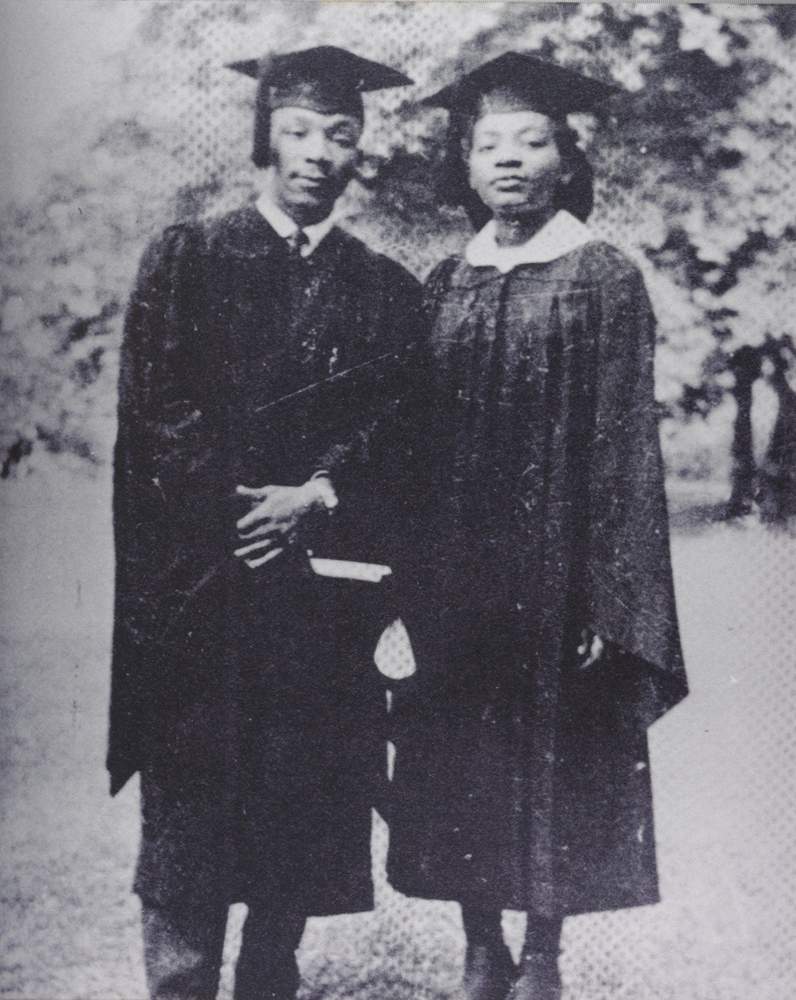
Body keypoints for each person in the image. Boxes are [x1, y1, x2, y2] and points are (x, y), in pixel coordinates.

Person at [108, 46, 419, 1000]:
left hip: (318, 605)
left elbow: (400, 431)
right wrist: (247, 515)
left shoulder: (386, 287)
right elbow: (157, 418)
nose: (319, 152)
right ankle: (181, 984)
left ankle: (271, 981)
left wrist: (316, 499)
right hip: (205, 593)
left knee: (296, 822)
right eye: (297, 131)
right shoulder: (190, 255)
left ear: (359, 149)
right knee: (195, 823)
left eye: (340, 133)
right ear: (264, 140)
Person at [387, 52, 689, 1000]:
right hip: (455, 574)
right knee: (461, 752)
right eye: (488, 145)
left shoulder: (603, 276)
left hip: (559, 569)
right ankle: (482, 945)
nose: (510, 160)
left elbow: (626, 447)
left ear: (566, 157)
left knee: (555, 756)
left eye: (533, 141)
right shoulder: (443, 280)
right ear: (464, 165)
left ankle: (546, 952)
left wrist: (612, 588)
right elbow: (408, 441)